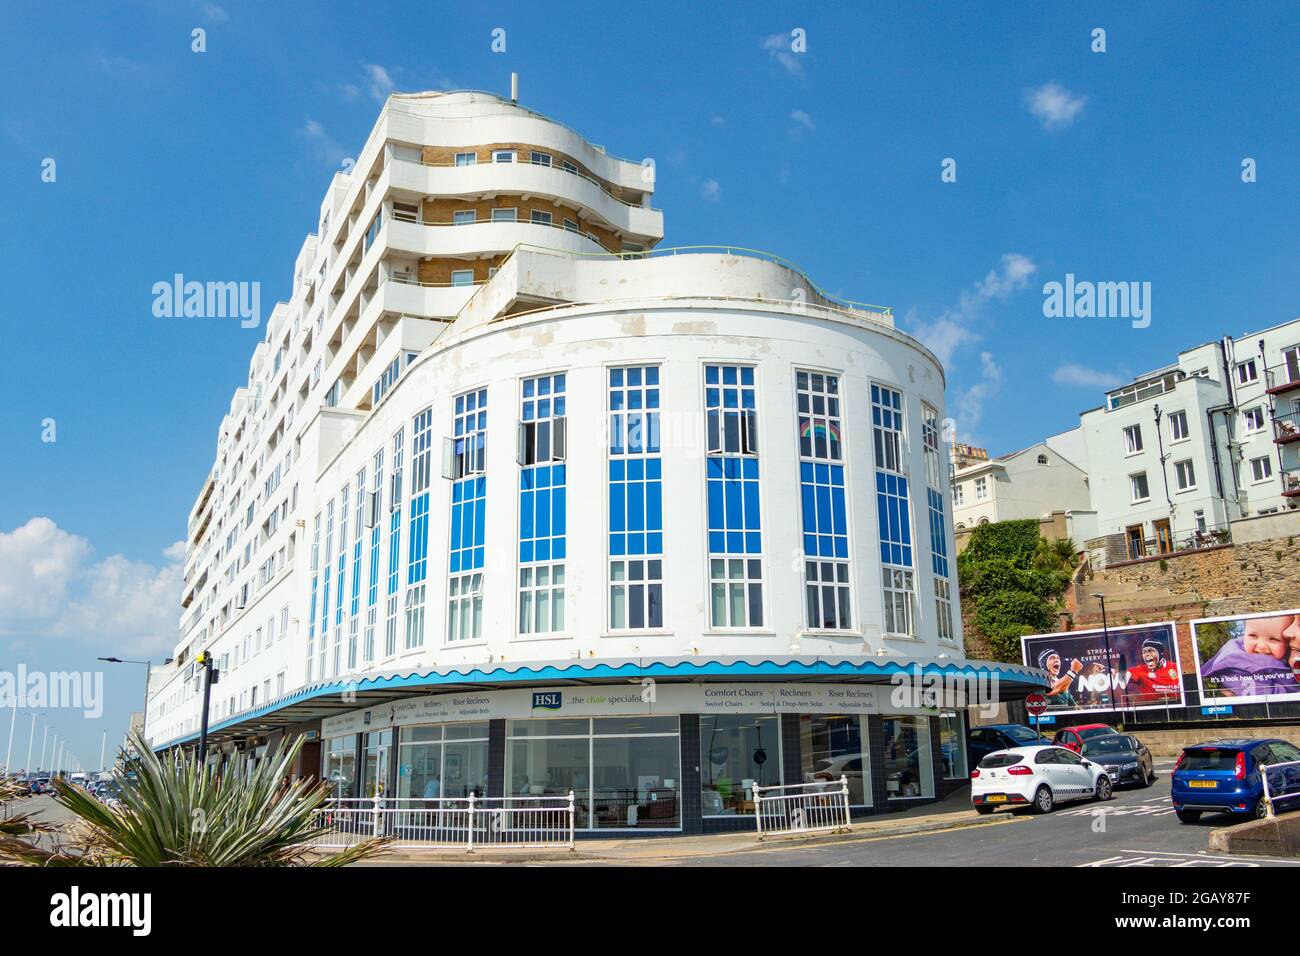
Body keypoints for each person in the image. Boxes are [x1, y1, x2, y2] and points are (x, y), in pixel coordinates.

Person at [1202, 614, 1299, 698]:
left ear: (1287, 643)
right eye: (1253, 636)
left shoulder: (1290, 654)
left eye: (1274, 639)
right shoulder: (1236, 666)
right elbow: (1266, 696)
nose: (1261, 646)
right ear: (1244, 634)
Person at [1125, 638, 1182, 704]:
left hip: (1176, 705)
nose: (1146, 654)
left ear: (1160, 653)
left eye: (1150, 651)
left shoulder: (1175, 667)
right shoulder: (1140, 670)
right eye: (1144, 652)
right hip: (1153, 708)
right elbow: (1124, 675)